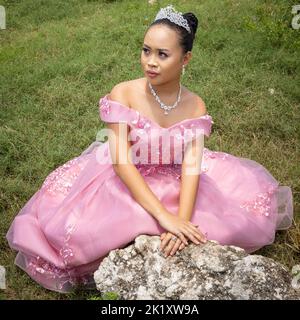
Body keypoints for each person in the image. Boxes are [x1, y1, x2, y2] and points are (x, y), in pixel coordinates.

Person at [6, 4, 293, 293]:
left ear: (186, 59)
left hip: (173, 177)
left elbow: (192, 166)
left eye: (162, 54)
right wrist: (163, 216)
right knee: (92, 233)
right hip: (123, 176)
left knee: (221, 228)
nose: (150, 62)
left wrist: (181, 219)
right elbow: (120, 162)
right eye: (146, 50)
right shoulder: (125, 93)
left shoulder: (195, 105)